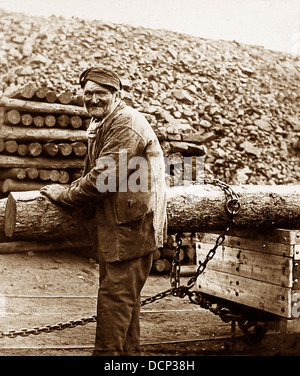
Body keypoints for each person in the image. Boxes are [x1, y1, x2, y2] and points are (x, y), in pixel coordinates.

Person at [40, 66, 167, 356]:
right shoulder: (104, 122)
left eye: (100, 94)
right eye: (88, 94)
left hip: (132, 226)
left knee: (115, 299)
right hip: (121, 223)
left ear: (117, 94)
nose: (93, 99)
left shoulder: (125, 125)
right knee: (124, 302)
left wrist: (64, 194)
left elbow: (103, 179)